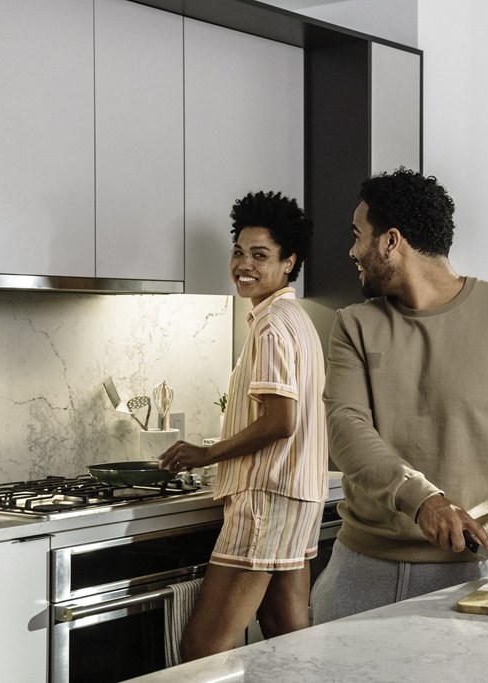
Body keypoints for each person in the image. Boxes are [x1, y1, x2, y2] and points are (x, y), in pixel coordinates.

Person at [310, 168, 488, 624]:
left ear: (390, 241)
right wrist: (424, 500)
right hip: (359, 575)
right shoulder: (354, 325)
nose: (352, 251)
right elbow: (346, 429)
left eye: (358, 236)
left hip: (478, 575)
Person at [159, 191, 328, 660]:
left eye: (260, 255)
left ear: (288, 262)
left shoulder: (272, 326)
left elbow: (281, 421)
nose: (243, 264)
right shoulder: (297, 320)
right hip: (298, 496)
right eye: (239, 251)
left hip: (267, 497)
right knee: (287, 634)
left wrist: (207, 453)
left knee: (202, 651)